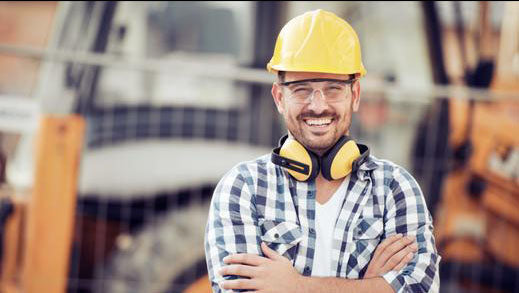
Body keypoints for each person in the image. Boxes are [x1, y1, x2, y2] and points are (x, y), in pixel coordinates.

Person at [205, 9, 440, 293]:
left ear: (354, 96)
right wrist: (369, 285)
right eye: (302, 89)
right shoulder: (243, 188)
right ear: (280, 98)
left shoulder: (396, 189)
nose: (318, 105)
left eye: (333, 88)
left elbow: (419, 288)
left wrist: (296, 286)